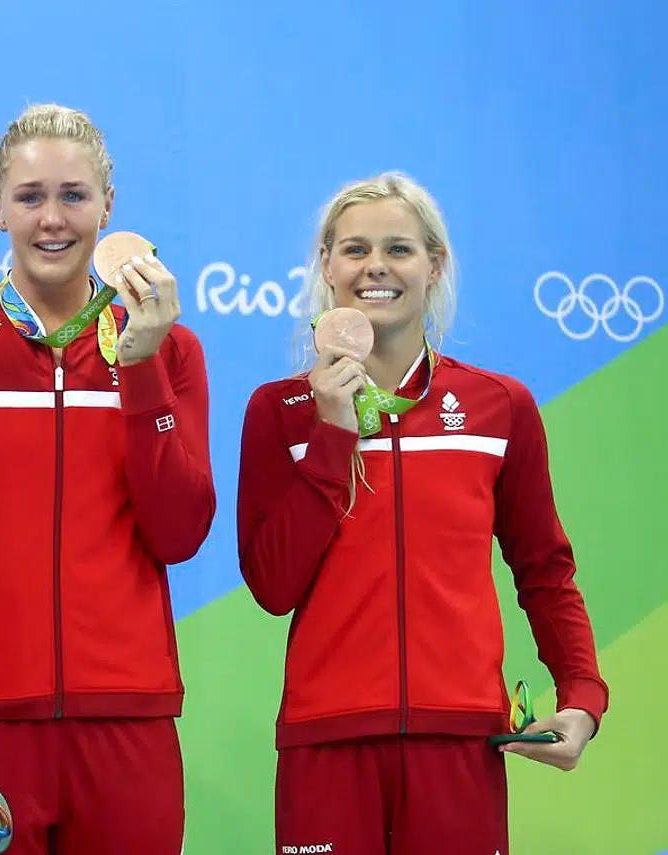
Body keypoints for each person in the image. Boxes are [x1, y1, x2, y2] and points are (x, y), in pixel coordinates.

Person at [0, 103, 216, 854]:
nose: (52, 219)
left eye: (74, 195)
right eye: (30, 197)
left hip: (127, 724)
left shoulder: (171, 349)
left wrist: (143, 366)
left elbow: (180, 530)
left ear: (108, 205)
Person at [236, 170, 609, 854]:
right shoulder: (278, 412)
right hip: (327, 741)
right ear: (326, 264)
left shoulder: (501, 407)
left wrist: (582, 691)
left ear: (435, 265)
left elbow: (544, 569)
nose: (375, 265)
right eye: (354, 249)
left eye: (399, 249)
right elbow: (271, 584)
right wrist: (332, 432)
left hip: (459, 742)